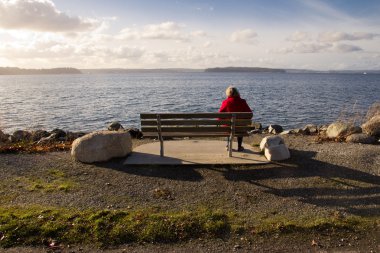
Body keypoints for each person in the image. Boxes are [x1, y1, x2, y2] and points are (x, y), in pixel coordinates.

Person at [219, 86, 252, 152]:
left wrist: (223, 121)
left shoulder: (225, 102)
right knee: (240, 126)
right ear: (237, 93)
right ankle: (239, 147)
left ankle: (228, 145)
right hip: (240, 127)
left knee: (228, 125)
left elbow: (220, 116)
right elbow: (250, 114)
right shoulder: (242, 102)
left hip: (228, 127)